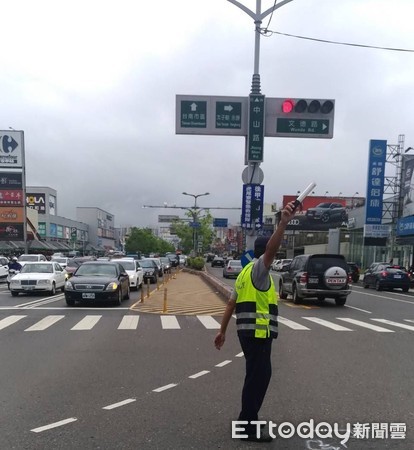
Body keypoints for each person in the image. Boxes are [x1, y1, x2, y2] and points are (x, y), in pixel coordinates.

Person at [214, 201, 297, 442]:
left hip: (248, 334)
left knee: (256, 377)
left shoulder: (244, 273)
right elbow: (271, 251)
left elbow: (231, 304)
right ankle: (247, 426)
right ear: (266, 253)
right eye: (272, 251)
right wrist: (282, 223)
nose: (274, 254)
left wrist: (222, 331)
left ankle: (248, 419)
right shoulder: (260, 269)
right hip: (257, 335)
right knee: (258, 380)